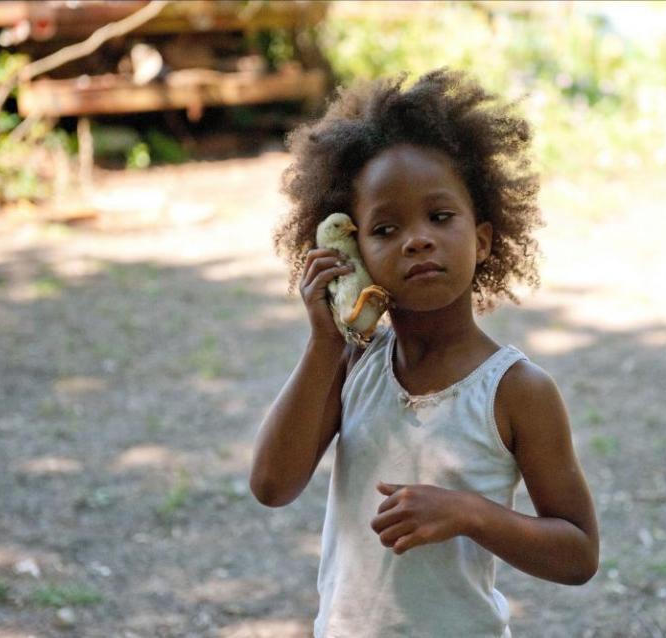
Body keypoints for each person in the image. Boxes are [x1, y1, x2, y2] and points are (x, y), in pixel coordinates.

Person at [250, 68, 598, 638]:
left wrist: (468, 513)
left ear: (483, 238)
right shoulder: (350, 364)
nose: (417, 239)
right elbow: (271, 486)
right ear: (351, 248)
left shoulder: (516, 390)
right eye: (385, 228)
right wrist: (324, 341)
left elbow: (578, 552)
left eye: (440, 217)